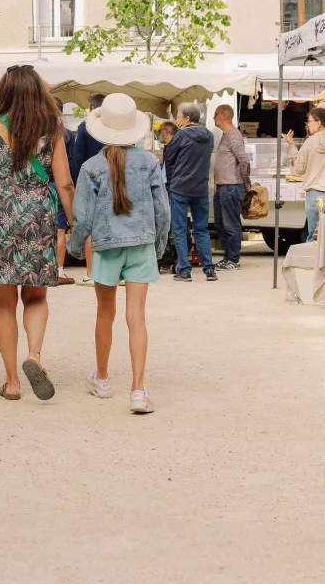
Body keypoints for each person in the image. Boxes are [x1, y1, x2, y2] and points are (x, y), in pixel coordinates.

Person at [0, 65, 75, 401]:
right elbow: (65, 182)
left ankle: (11, 383)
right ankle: (34, 356)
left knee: (4, 304)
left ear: (3, 91)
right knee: (37, 296)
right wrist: (75, 222)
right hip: (37, 214)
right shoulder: (52, 126)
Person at [66, 94, 169, 414]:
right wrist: (158, 246)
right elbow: (163, 212)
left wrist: (73, 248)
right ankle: (138, 390)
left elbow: (82, 217)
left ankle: (102, 378)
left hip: (107, 246)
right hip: (140, 245)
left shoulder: (90, 166)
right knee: (136, 317)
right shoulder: (150, 162)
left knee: (104, 314)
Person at [163, 102, 217, 282]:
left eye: (178, 117)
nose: (177, 120)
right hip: (201, 188)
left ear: (186, 118)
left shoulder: (181, 135)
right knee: (201, 229)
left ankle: (184, 270)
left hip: (180, 188)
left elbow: (169, 159)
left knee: (179, 229)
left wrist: (171, 183)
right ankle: (209, 269)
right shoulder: (209, 136)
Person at [281, 105, 325, 242]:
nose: (307, 125)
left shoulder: (310, 142)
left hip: (314, 193)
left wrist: (292, 146)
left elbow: (299, 169)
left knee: (314, 237)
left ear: (318, 123)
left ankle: (316, 263)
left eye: (309, 121)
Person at [67, 94, 108, 282]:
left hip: (91, 180)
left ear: (91, 108)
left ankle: (92, 273)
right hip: (116, 181)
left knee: (90, 226)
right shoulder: (117, 127)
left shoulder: (85, 128)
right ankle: (112, 272)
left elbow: (77, 159)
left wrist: (77, 184)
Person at [211, 103, 250, 270]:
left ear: (224, 116)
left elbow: (244, 160)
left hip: (231, 186)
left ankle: (233, 259)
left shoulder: (234, 135)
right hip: (223, 186)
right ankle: (228, 256)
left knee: (231, 223)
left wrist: (246, 183)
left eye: (215, 115)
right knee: (221, 223)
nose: (213, 118)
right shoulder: (226, 135)